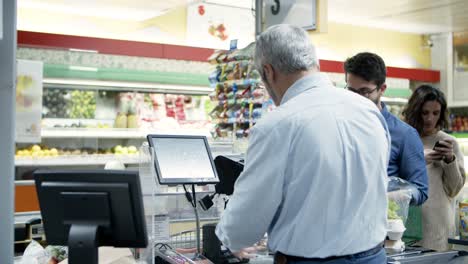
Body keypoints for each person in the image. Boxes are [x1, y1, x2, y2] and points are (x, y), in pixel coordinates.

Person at [216, 24, 390, 264]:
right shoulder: (369, 112)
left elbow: (244, 227)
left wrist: (227, 237)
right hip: (375, 257)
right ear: (313, 63)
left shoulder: (276, 126)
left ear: (268, 72)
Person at [344, 52, 429, 205]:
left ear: (382, 88)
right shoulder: (341, 126)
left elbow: (420, 190)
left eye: (364, 92)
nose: (356, 99)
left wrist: (388, 197)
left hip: (383, 223)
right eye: (351, 91)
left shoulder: (405, 134)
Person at [403, 85, 465, 251]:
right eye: (425, 112)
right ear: (415, 111)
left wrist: (450, 160)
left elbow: (453, 190)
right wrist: (418, 162)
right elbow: (392, 182)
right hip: (406, 224)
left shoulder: (449, 142)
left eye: (435, 113)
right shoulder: (404, 138)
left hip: (438, 224)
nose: (430, 118)